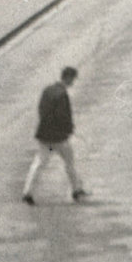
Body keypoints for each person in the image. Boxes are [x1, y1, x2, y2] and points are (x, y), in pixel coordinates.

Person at [21, 65, 89, 203]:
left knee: (39, 163)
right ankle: (76, 190)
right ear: (68, 78)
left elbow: (41, 109)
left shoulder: (47, 90)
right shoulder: (62, 94)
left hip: (44, 134)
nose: (72, 83)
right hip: (59, 138)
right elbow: (64, 116)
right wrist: (69, 129)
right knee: (69, 162)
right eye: (72, 79)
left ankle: (27, 192)